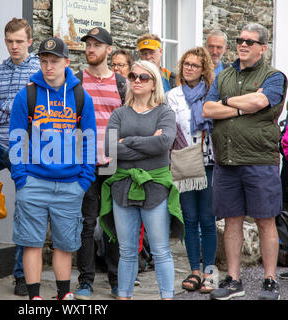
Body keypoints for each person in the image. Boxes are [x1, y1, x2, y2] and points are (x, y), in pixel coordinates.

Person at [203, 23, 287, 300]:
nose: (243, 44)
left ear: (263, 48)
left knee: (265, 221)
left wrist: (227, 104)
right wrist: (240, 105)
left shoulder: (274, 76)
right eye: (240, 40)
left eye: (250, 42)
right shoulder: (223, 74)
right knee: (232, 221)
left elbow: (261, 102)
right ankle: (234, 280)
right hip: (226, 160)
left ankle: (270, 280)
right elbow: (207, 108)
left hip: (260, 160)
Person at [9, 37, 97, 300]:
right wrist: (20, 177)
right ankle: (35, 297)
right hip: (33, 181)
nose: (48, 66)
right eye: (44, 61)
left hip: (70, 183)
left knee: (65, 245)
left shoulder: (81, 96)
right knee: (32, 243)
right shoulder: (28, 95)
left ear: (67, 62)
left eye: (54, 61)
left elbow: (90, 141)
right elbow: (15, 139)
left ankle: (63, 295)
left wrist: (84, 179)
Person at [100, 60, 183, 300]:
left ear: (154, 82)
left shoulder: (165, 112)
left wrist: (127, 141)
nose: (136, 80)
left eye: (143, 77)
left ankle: (166, 297)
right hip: (122, 187)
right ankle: (124, 296)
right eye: (133, 76)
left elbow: (164, 143)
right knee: (126, 251)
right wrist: (147, 142)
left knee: (160, 250)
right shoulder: (119, 113)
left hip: (155, 186)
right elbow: (109, 148)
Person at [0, 18, 40, 296]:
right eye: (10, 41)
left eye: (19, 41)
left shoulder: (41, 70)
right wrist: (18, 103)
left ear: (29, 41)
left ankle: (21, 277)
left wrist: (10, 106)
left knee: (24, 208)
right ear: (5, 41)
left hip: (25, 147)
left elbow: (39, 111)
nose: (14, 46)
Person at [73, 27, 127, 300]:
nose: (90, 49)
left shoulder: (121, 83)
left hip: (113, 161)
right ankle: (85, 281)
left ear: (109, 49)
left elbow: (128, 123)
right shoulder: (75, 80)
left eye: (96, 45)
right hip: (84, 161)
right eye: (88, 45)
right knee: (86, 222)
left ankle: (117, 280)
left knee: (114, 222)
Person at [166, 47, 217, 293]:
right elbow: (170, 127)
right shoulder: (173, 95)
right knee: (189, 219)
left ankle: (209, 271)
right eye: (186, 64)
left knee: (207, 219)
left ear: (204, 69)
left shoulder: (212, 94)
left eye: (194, 65)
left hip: (208, 162)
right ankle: (194, 271)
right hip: (184, 161)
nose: (188, 68)